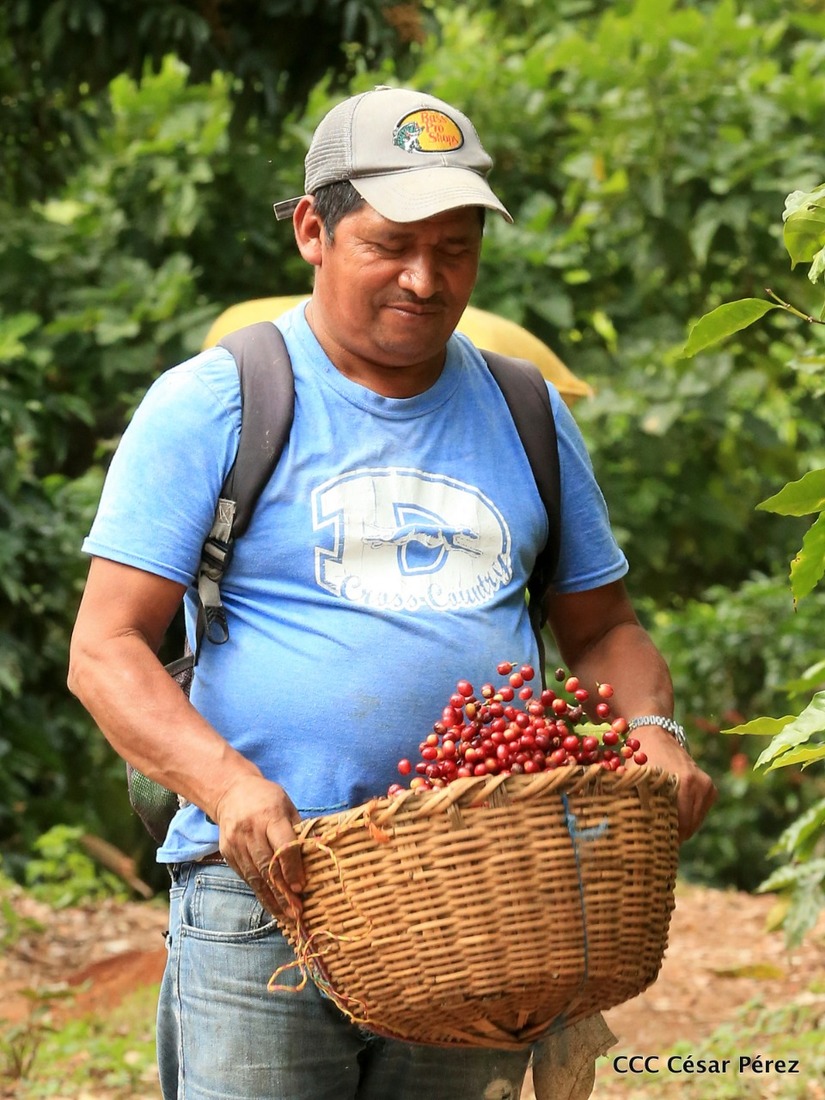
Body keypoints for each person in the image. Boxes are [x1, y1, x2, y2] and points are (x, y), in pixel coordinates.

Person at [68, 85, 716, 1100]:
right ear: (312, 230)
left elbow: (605, 631)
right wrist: (230, 787)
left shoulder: (524, 406)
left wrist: (653, 729)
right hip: (269, 893)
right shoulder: (217, 400)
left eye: (455, 248)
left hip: (482, 884)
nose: (426, 277)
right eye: (392, 245)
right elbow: (105, 648)